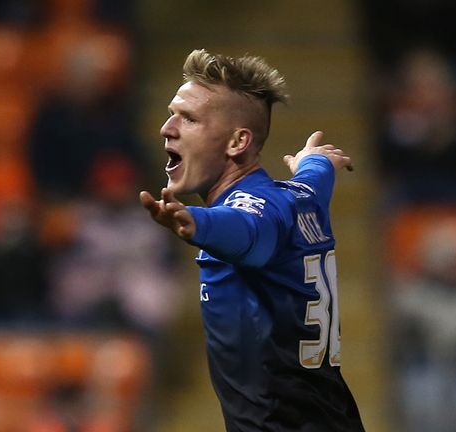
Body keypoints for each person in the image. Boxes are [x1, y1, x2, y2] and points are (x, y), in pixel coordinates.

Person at [139, 49, 364, 431]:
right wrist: (316, 160)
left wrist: (198, 224)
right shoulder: (299, 195)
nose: (167, 127)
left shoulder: (254, 212)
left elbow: (249, 233)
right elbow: (313, 180)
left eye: (189, 119)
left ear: (237, 142)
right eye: (172, 113)